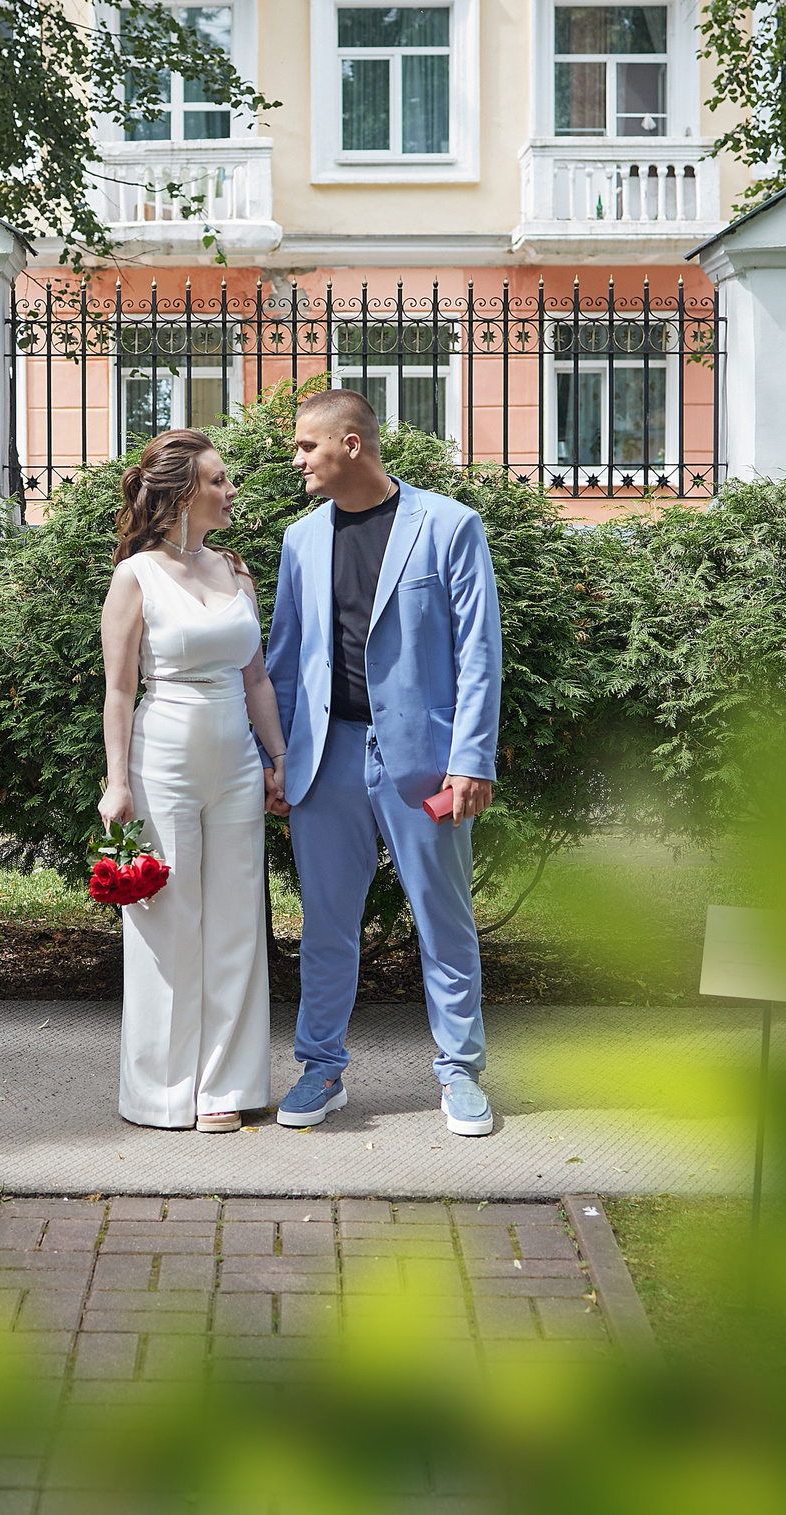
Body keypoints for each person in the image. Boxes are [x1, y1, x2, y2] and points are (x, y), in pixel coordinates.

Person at [264, 390, 502, 1137]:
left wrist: (472, 758)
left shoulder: (450, 525)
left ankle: (459, 1072)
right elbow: (279, 661)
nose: (297, 459)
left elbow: (478, 652)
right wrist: (276, 758)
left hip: (424, 761)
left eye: (307, 446)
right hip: (323, 758)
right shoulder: (300, 540)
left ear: (352, 445)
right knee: (327, 922)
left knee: (444, 918)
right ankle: (321, 1067)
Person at [97, 429, 291, 1132]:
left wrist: (279, 758)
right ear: (181, 493)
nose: (231, 489)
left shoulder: (235, 570)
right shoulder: (136, 577)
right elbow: (118, 691)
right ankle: (161, 1091)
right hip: (163, 760)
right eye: (218, 479)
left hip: (237, 759)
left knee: (239, 919)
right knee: (167, 922)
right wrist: (116, 781)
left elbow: (258, 677)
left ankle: (225, 1087)